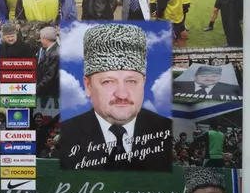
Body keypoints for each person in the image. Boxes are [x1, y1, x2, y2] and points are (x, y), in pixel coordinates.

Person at [60, 23, 172, 171]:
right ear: (88, 86)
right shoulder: (66, 135)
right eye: (108, 82)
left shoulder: (167, 131)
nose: (122, 94)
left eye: (131, 81)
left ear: (143, 82)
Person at [173, 65, 242, 100]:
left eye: (214, 76)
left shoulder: (230, 89)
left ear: (219, 77)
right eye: (204, 76)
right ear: (195, 76)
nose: (209, 79)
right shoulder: (179, 86)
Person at [36, 27, 59, 97]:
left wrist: (36, 90)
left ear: (45, 39)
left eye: (41, 38)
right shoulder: (50, 50)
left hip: (49, 93)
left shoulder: (54, 54)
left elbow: (49, 77)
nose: (40, 40)